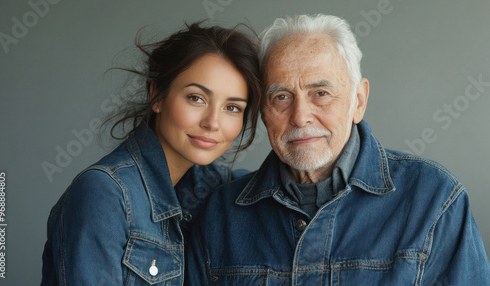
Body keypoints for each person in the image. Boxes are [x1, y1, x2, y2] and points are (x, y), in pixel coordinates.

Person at [187, 14, 490, 285]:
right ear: (263, 111)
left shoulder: (433, 200)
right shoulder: (220, 214)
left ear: (358, 101)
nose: (300, 116)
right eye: (281, 97)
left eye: (321, 93)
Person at [41, 22, 261, 285]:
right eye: (196, 98)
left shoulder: (220, 189)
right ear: (156, 95)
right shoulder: (105, 194)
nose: (213, 122)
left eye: (233, 108)